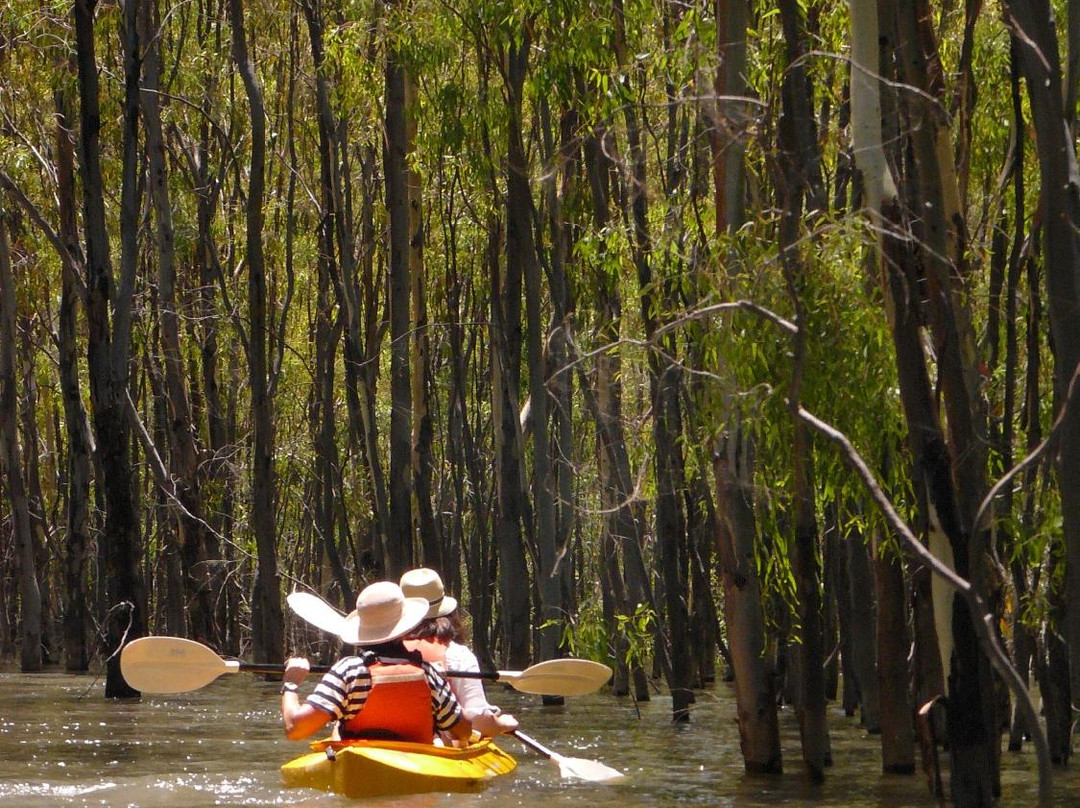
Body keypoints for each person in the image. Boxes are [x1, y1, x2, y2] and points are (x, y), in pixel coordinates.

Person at [279, 580, 473, 744]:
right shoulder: (428, 673)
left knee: (339, 726)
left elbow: (295, 728)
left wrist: (291, 683)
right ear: (406, 628)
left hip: (361, 765)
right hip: (416, 765)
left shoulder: (349, 671)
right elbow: (463, 732)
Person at [398, 568, 518, 737]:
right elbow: (478, 723)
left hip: (386, 749)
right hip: (438, 753)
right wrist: (502, 724)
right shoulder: (457, 655)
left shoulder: (382, 654)